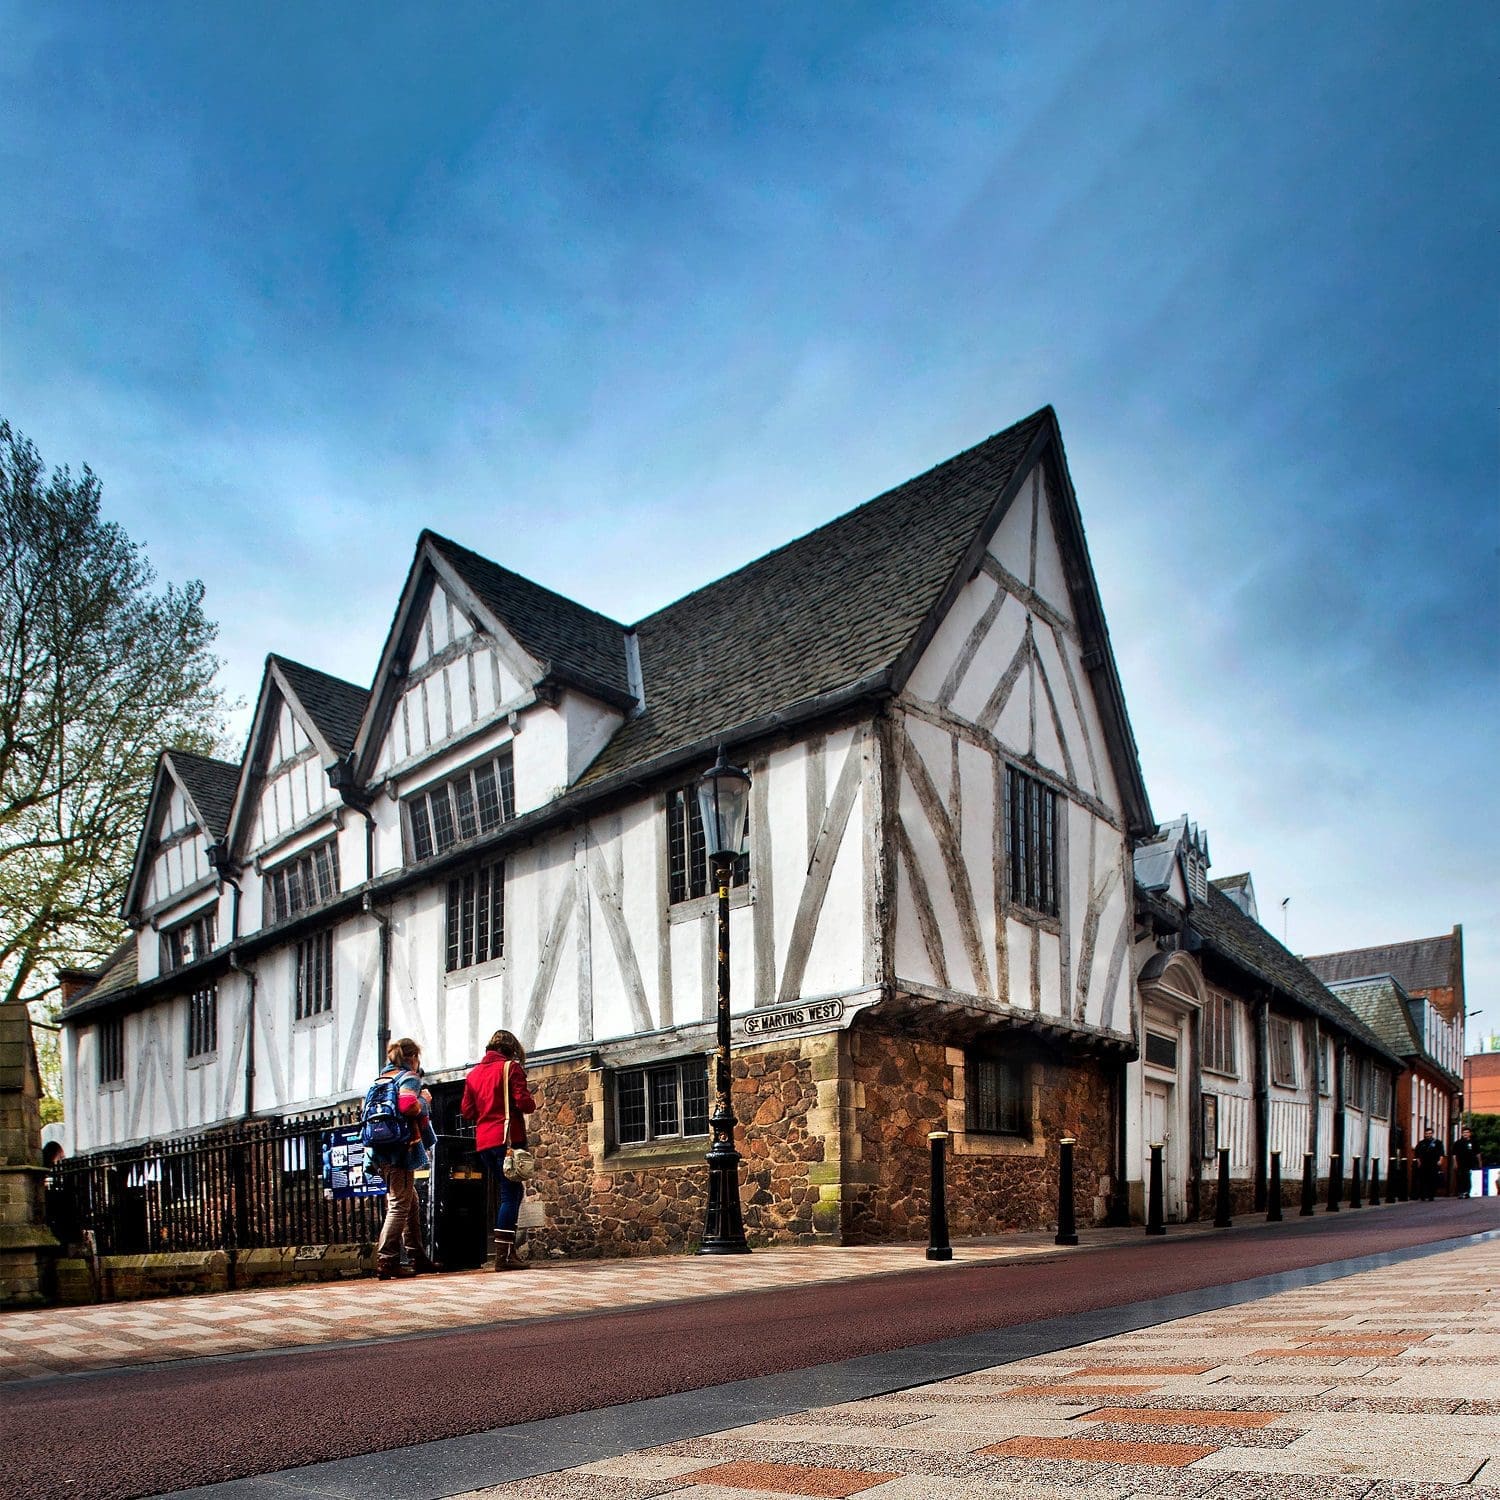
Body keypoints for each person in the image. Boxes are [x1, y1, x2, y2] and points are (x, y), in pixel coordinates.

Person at [461, 1029, 537, 1271]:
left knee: (505, 1193)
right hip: (507, 1140)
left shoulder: (473, 1075)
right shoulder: (510, 1069)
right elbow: (525, 1103)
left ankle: (506, 1251)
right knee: (511, 1194)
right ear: (511, 1050)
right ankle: (504, 1256)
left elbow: (468, 1111)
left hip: (484, 1142)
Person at [365, 1037, 439, 1279]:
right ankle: (387, 1260)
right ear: (413, 1058)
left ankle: (417, 1257)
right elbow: (408, 1105)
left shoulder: (381, 1079)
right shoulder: (408, 1078)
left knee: (411, 1201)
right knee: (399, 1204)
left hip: (379, 1151)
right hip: (399, 1151)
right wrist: (424, 1101)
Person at [1412, 1127, 1445, 1202]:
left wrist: (1440, 1161)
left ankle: (1431, 1195)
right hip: (1424, 1164)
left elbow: (1441, 1153)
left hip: (1433, 1164)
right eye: (1427, 1134)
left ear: (1432, 1134)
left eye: (1430, 1133)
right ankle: (1423, 1195)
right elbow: (1417, 1154)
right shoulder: (1421, 1143)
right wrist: (1419, 1162)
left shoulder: (1438, 1143)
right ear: (1424, 1134)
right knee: (1423, 1180)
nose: (1428, 1135)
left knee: (1432, 1180)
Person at [1452, 1126, 1483, 1199]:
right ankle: (1460, 1192)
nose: (1465, 1134)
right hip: (1460, 1163)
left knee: (1467, 1177)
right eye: (1464, 1133)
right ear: (1462, 1134)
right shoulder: (1458, 1143)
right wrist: (1455, 1163)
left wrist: (1480, 1162)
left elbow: (1477, 1153)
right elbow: (1454, 1154)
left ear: (1470, 1133)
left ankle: (1466, 1192)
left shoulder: (1474, 1142)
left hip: (1469, 1163)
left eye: (1467, 1132)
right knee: (1460, 1177)